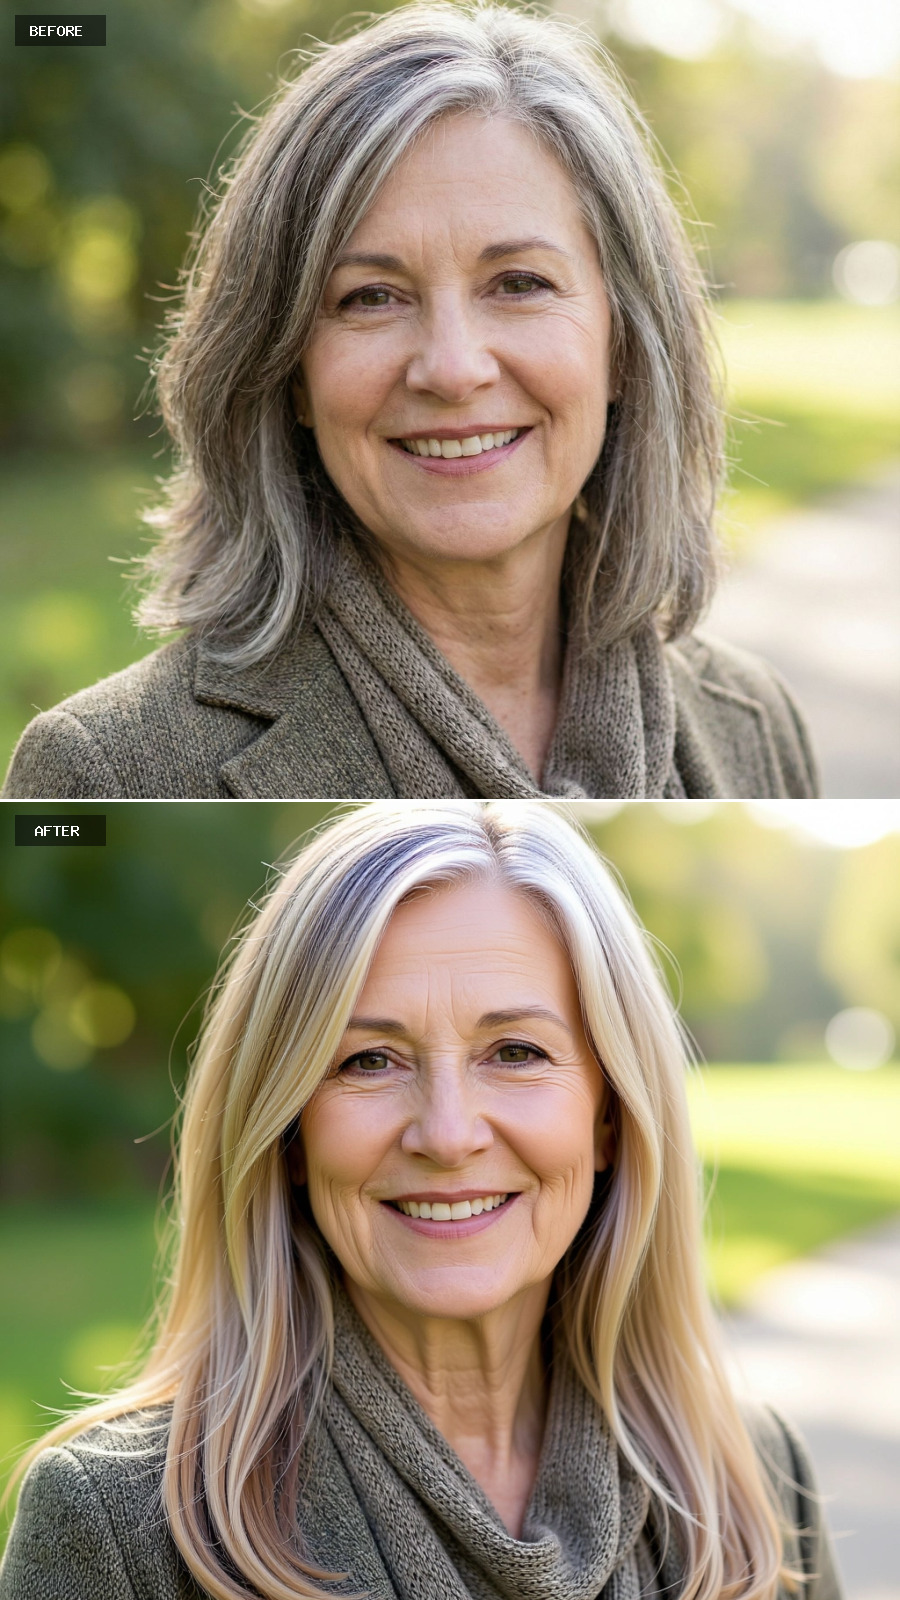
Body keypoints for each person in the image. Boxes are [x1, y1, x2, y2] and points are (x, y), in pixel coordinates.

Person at [1, 800, 842, 1599]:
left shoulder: (754, 1483)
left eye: (515, 1052)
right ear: (288, 1133)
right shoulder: (117, 1527)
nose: (445, 1134)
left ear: (610, 1119)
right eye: (368, 1061)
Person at [3, 5, 818, 802]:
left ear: (626, 345)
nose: (452, 369)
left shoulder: (754, 722)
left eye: (519, 283)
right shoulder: (103, 772)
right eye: (371, 297)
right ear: (289, 373)